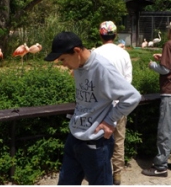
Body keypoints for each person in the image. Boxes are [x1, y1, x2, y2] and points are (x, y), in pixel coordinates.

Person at [44, 31, 141, 185]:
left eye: (63, 59)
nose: (63, 64)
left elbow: (132, 97)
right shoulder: (79, 65)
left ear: (76, 51)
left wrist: (109, 121)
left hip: (95, 143)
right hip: (74, 137)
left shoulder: (102, 68)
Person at [141, 20, 171, 177]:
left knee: (165, 130)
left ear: (170, 31)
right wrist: (163, 57)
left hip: (170, 93)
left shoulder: (169, 45)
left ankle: (160, 166)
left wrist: (152, 65)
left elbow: (165, 69)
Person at [93, 21, 133, 185]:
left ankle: (99, 175)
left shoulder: (94, 53)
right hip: (119, 105)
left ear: (100, 35)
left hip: (99, 107)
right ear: (115, 35)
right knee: (118, 141)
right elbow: (128, 81)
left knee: (97, 142)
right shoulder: (124, 54)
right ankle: (117, 176)